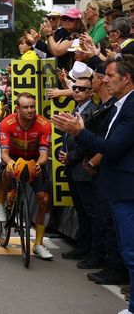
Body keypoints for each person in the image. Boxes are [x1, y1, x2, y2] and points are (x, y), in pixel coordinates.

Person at [52, 55, 134, 313]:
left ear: (126, 78)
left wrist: (80, 132)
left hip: (126, 190)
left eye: (109, 75)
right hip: (117, 189)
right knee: (128, 250)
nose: (104, 80)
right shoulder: (120, 105)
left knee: (131, 253)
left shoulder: (131, 106)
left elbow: (112, 146)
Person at [0, 93, 54, 260]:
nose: (30, 110)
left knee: (43, 199)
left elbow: (44, 154)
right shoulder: (7, 123)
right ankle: (0, 200)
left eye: (32, 107)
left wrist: (39, 164)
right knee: (7, 170)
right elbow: (4, 154)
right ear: (17, 109)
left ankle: (39, 244)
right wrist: (10, 163)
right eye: (26, 107)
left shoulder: (44, 124)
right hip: (13, 157)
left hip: (34, 159)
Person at [57, 76, 99, 263]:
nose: (76, 91)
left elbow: (88, 142)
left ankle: (93, 252)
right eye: (75, 87)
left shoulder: (92, 112)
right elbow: (70, 139)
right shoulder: (76, 109)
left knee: (90, 211)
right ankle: (83, 247)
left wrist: (71, 157)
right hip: (73, 168)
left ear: (90, 92)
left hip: (83, 168)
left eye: (82, 89)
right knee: (81, 210)